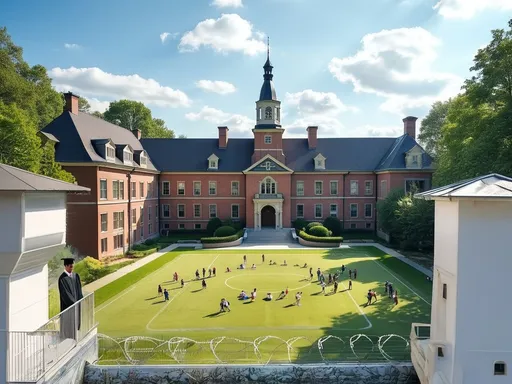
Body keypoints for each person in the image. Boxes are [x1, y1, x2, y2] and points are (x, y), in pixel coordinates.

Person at [58, 258, 84, 339]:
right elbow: (65, 294)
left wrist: (80, 299)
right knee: (69, 325)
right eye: (70, 266)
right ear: (65, 266)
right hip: (68, 307)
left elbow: (79, 290)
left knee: (76, 324)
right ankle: (68, 340)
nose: (71, 268)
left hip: (76, 305)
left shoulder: (76, 276)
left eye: (72, 266)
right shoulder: (62, 279)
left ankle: (75, 337)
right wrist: (74, 303)